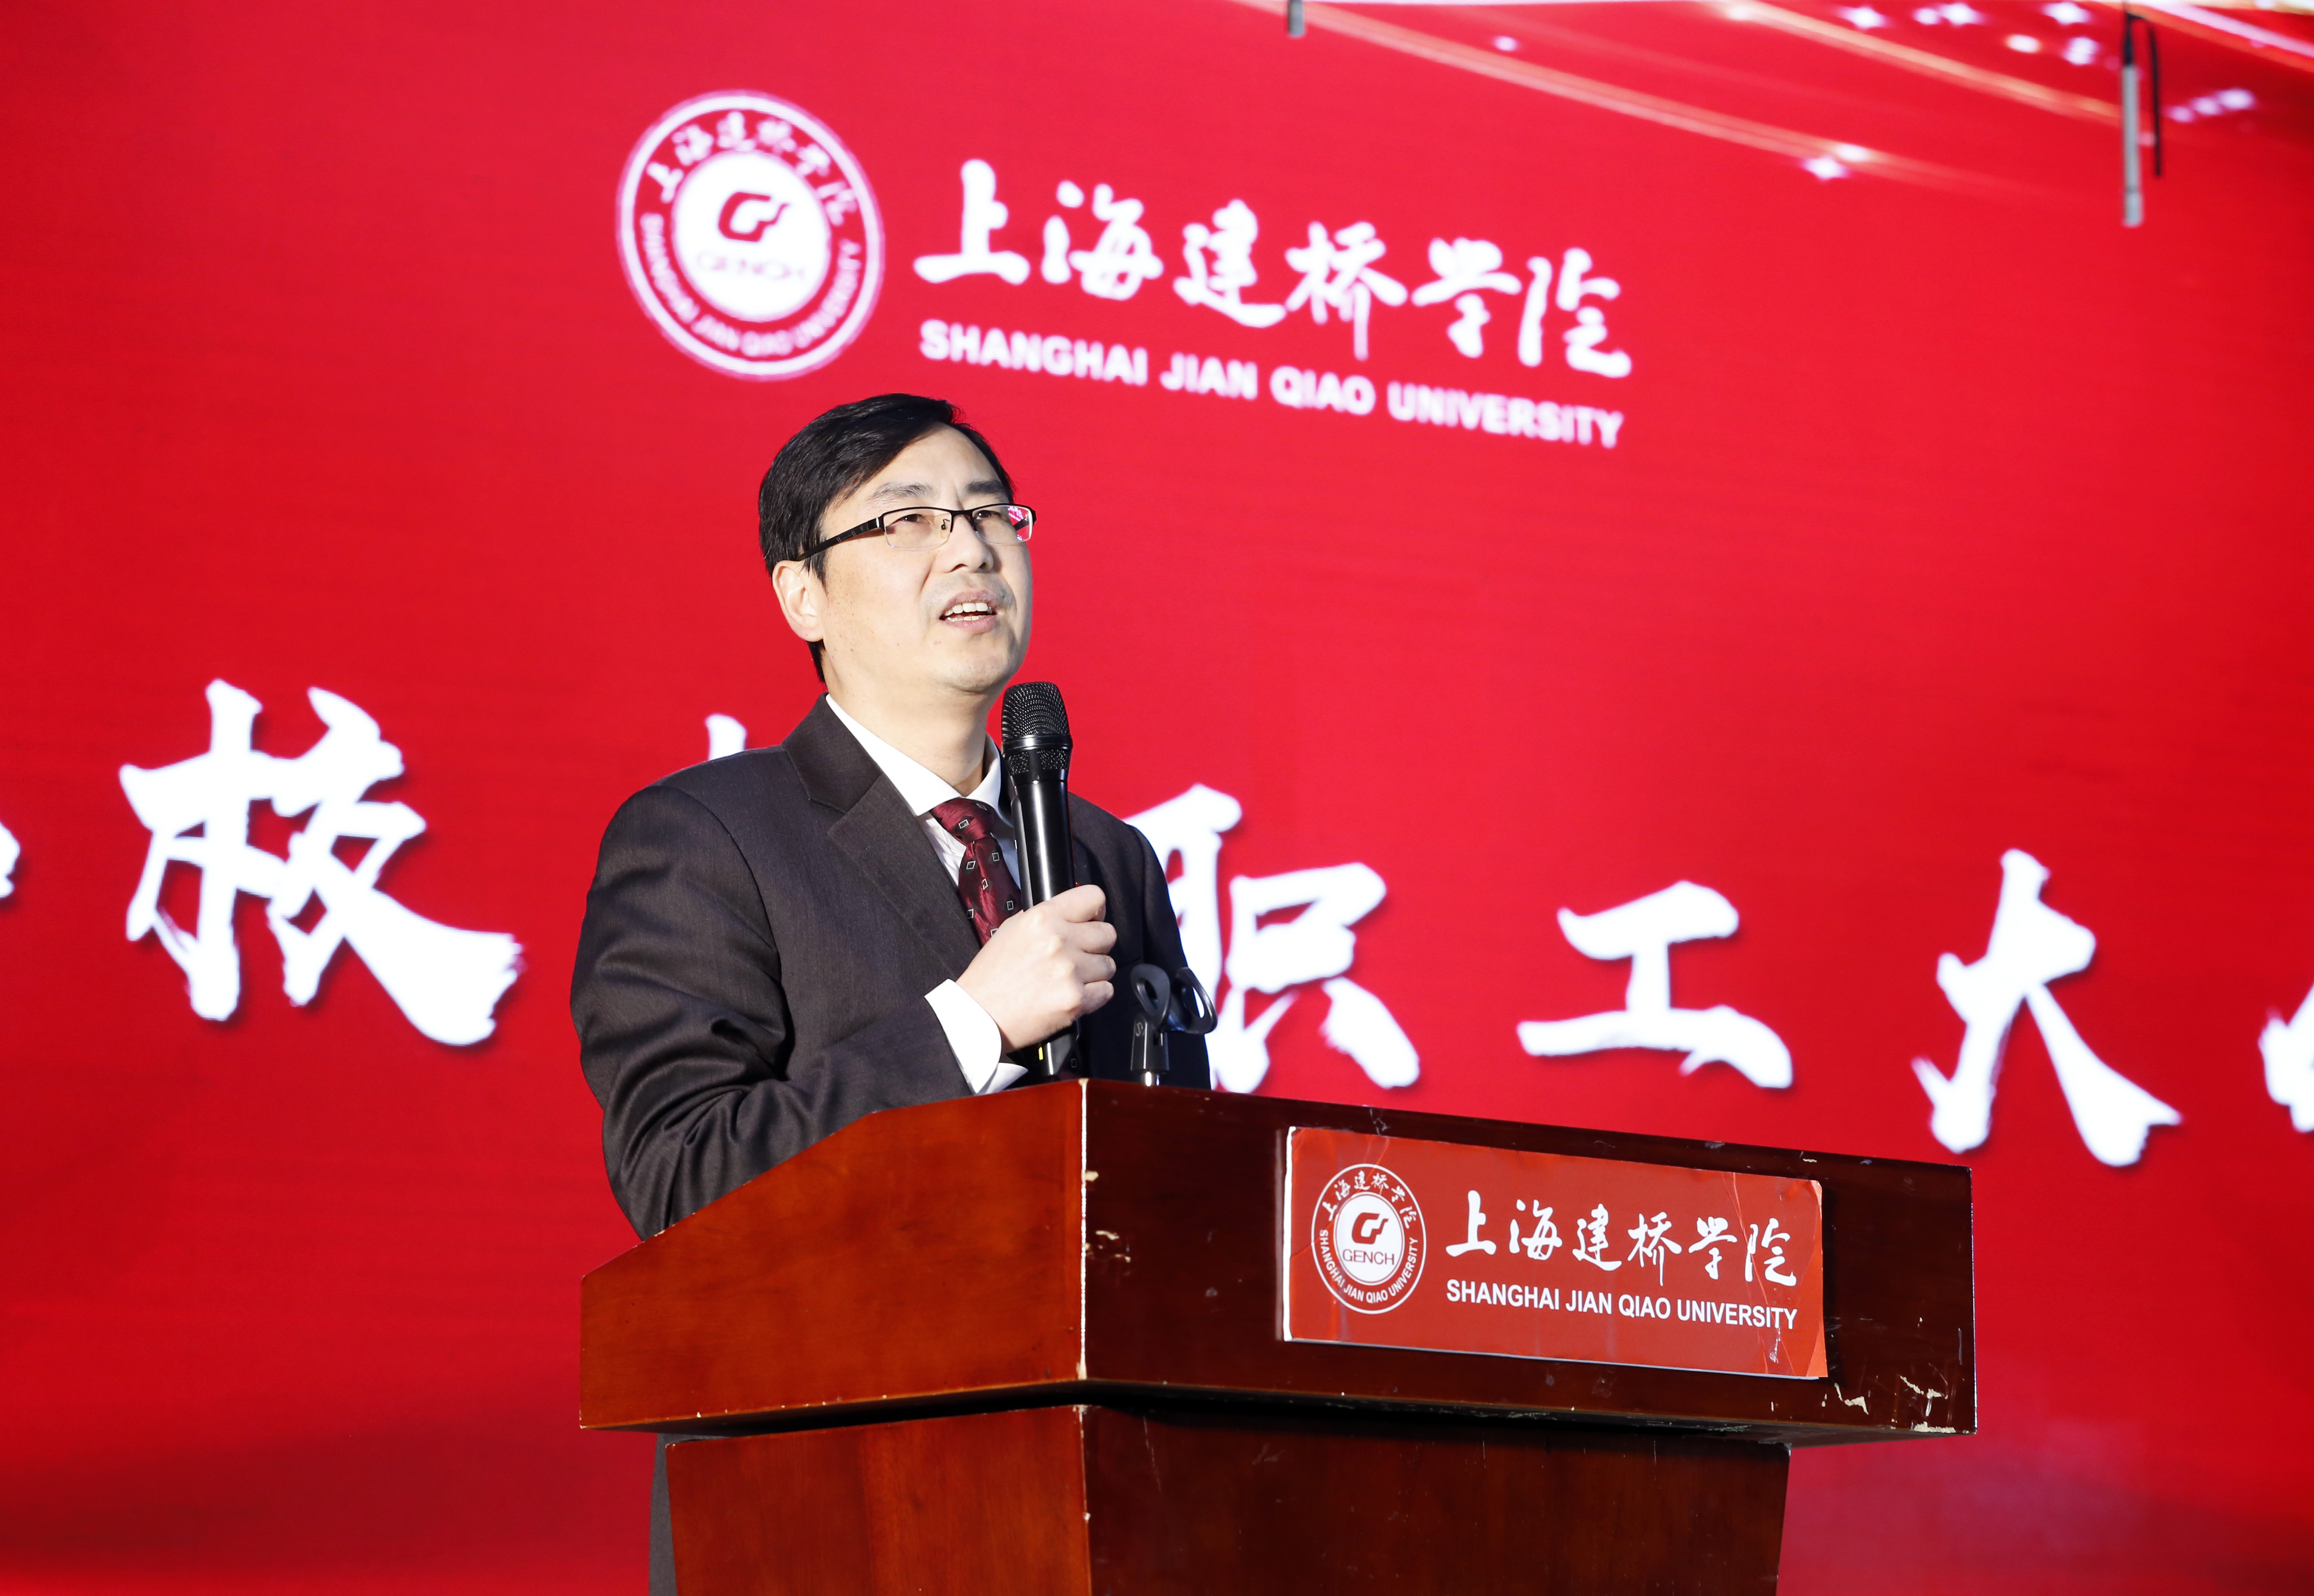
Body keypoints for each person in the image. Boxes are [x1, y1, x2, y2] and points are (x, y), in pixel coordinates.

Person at [570, 392, 1206, 1593]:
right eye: (906, 519)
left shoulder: (1105, 854)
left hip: (1095, 1511)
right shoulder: (707, 835)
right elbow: (683, 1179)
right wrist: (972, 1024)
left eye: (990, 514)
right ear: (801, 596)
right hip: (828, 1511)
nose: (969, 549)